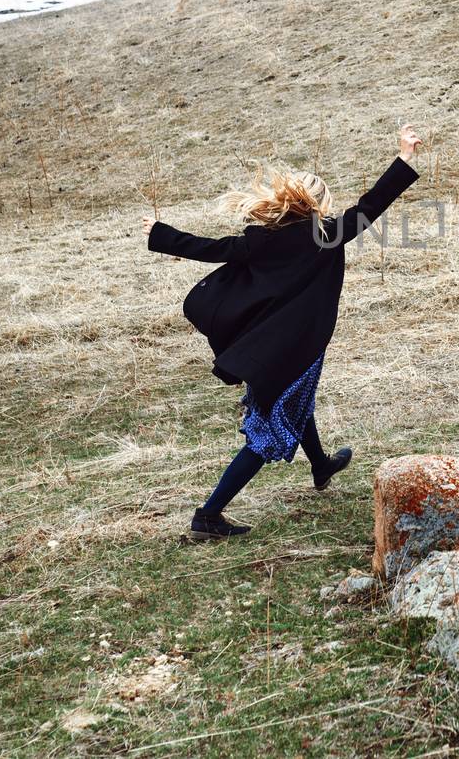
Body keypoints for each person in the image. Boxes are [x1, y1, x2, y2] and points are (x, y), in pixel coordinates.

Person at [143, 124, 423, 540]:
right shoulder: (325, 236)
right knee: (269, 430)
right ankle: (209, 515)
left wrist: (159, 233)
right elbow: (372, 204)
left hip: (267, 348)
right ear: (319, 206)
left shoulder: (261, 242)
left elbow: (209, 248)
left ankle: (320, 465)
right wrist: (404, 158)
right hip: (296, 349)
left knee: (293, 404)